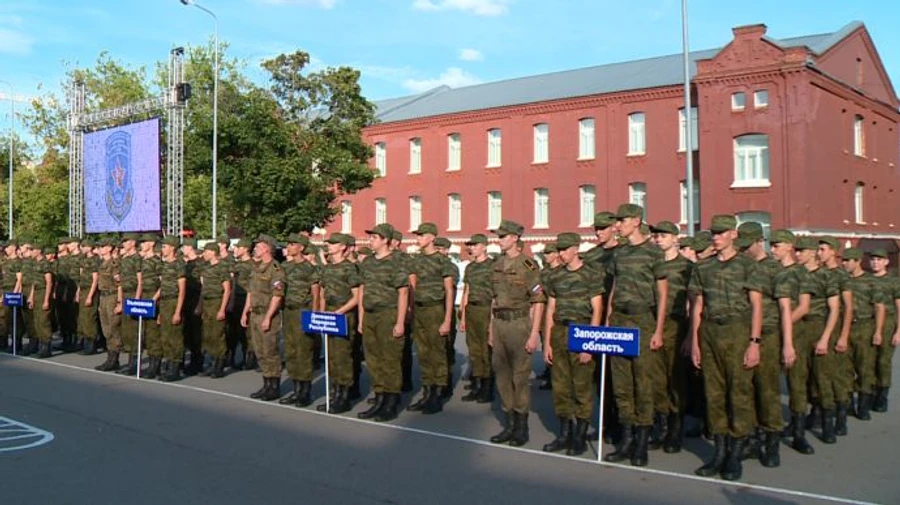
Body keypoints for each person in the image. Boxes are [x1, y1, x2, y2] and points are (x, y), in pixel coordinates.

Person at [689, 215, 763, 482]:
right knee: (714, 394)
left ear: (733, 234)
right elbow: (698, 306)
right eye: (714, 233)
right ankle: (719, 453)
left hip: (738, 331)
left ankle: (735, 454)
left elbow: (756, 305)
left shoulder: (747, 265)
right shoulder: (703, 267)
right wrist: (695, 342)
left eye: (721, 233)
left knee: (739, 393)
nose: (716, 237)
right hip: (710, 332)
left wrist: (754, 343)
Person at [603, 204, 668, 468]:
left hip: (643, 320)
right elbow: (614, 288)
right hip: (619, 319)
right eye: (617, 221)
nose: (618, 225)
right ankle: (626, 439)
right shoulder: (619, 253)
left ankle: (642, 441)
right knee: (622, 384)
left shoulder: (654, 252)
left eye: (622, 221)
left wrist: (659, 330)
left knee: (643, 383)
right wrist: (608, 319)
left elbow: (662, 293)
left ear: (636, 221)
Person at [736, 223, 795, 466]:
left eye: (747, 245)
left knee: (768, 389)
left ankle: (772, 443)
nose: (744, 250)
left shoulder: (774, 269)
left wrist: (787, 344)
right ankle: (751, 439)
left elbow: (785, 308)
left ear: (760, 241)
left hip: (768, 336)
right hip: (742, 334)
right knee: (745, 390)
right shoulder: (740, 266)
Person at [541, 233, 603, 456]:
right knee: (560, 386)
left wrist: (590, 343)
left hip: (582, 330)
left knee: (582, 386)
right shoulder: (556, 276)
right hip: (559, 331)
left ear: (576, 249)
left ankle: (580, 436)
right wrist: (547, 343)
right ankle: (564, 433)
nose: (561, 253)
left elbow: (597, 309)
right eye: (559, 249)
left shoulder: (590, 275)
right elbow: (550, 309)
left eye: (565, 249)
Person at [487, 220, 545, 447]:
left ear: (514, 238)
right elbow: (494, 299)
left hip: (519, 323)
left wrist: (534, 333)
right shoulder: (496, 265)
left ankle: (521, 426)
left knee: (520, 376)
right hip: (500, 324)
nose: (499, 240)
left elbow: (538, 300)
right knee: (502, 375)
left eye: (503, 237)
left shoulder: (528, 265)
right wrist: (491, 329)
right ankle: (509, 424)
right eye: (498, 237)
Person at [357, 223, 410, 422]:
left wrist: (400, 322)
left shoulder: (397, 262)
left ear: (385, 240)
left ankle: (391, 401)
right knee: (373, 359)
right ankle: (379, 398)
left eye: (374, 237)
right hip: (370, 315)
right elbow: (362, 290)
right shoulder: (368, 262)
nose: (370, 240)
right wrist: (361, 318)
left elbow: (403, 293)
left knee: (390, 359)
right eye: (370, 237)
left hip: (388, 314)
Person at [791, 236, 840, 449]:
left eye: (802, 251)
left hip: (818, 327)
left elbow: (834, 309)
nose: (797, 254)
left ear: (812, 253)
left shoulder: (826, 276)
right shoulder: (793, 275)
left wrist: (825, 338)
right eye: (796, 250)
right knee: (796, 379)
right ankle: (798, 429)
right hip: (797, 329)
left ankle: (827, 424)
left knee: (822, 378)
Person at [649, 221, 692, 454]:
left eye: (663, 236)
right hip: (654, 322)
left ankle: (676, 429)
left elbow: (693, 302)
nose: (658, 240)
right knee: (656, 378)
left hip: (676, 324)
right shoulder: (653, 264)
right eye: (656, 236)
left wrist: (690, 334)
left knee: (676, 378)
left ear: (675, 238)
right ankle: (661, 426)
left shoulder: (687, 267)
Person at [407, 223, 457, 415]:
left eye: (421, 235)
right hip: (419, 310)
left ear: (431, 238)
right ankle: (427, 392)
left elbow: (449, 290)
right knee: (423, 352)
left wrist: (447, 319)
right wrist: (411, 311)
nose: (418, 239)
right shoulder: (416, 261)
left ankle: (437, 394)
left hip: (436, 309)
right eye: (417, 235)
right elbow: (412, 287)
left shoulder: (442, 261)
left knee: (437, 352)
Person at [840, 247, 886, 421]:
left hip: (865, 326)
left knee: (865, 367)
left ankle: (863, 405)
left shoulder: (871, 281)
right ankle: (848, 403)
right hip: (845, 327)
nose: (844, 263)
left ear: (858, 261)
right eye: (843, 260)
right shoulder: (841, 280)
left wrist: (878, 331)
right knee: (845, 367)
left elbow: (879, 307)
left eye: (847, 261)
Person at [316, 233, 360, 414]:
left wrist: (339, 312)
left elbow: (357, 297)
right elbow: (323, 293)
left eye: (334, 243)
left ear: (343, 247)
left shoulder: (349, 268)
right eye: (329, 243)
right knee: (331, 356)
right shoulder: (327, 268)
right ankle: (334, 394)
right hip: (329, 314)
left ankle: (344, 396)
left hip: (343, 315)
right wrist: (322, 313)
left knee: (343, 356)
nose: (329, 246)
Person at [241, 235, 285, 401]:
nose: (255, 249)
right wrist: (245, 311)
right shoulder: (257, 268)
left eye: (258, 247)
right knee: (260, 351)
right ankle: (266, 384)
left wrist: (268, 317)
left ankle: (274, 387)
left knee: (270, 352)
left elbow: (277, 296)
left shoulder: (275, 269)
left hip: (267, 314)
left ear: (267, 249)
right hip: (255, 313)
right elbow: (251, 292)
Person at [279, 233, 320, 405]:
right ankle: (296, 389)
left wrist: (314, 315)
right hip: (288, 311)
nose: (289, 247)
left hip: (303, 311)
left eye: (292, 244)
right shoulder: (285, 266)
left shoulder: (309, 268)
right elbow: (279, 287)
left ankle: (305, 392)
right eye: (288, 244)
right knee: (291, 351)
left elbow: (316, 294)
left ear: (301, 247)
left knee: (304, 351)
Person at [459, 234, 494, 403]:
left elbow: (496, 295)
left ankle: (487, 387)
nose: (471, 248)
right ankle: (477, 384)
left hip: (486, 309)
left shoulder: (493, 266)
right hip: (471, 309)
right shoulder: (470, 267)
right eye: (470, 245)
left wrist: (493, 319)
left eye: (475, 245)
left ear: (484, 246)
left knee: (486, 349)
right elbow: (467, 290)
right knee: (474, 349)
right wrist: (463, 317)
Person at [870, 249, 900, 413]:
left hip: (888, 323)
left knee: (883, 361)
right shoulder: (867, 280)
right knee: (869, 361)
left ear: (886, 262)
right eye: (873, 259)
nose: (875, 262)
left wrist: (898, 331)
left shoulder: (893, 281)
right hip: (869, 322)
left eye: (879, 259)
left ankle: (882, 396)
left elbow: (899, 306)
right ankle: (870, 393)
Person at [200, 241, 233, 379]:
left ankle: (219, 365)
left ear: (213, 252)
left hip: (217, 301)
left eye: (206, 251)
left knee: (218, 334)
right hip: (207, 303)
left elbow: (227, 290)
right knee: (208, 334)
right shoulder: (206, 268)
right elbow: (203, 287)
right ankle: (212, 362)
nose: (204, 254)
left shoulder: (222, 268)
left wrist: (222, 309)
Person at [536, 242, 563, 391]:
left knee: (555, 342)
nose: (545, 256)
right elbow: (537, 287)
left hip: (557, 309)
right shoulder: (544, 272)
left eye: (548, 253)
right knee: (544, 340)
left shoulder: (562, 271)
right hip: (545, 307)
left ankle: (555, 375)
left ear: (556, 254)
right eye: (544, 253)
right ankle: (548, 369)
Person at [95, 239, 123, 372]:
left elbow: (120, 284)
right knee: (106, 329)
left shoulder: (114, 264)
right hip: (103, 297)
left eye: (103, 246)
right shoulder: (102, 264)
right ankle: (110, 357)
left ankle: (114, 359)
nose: (100, 249)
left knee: (113, 328)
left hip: (112, 297)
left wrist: (119, 302)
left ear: (109, 248)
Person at [117, 234, 143, 375]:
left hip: (134, 294)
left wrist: (137, 299)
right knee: (126, 329)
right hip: (126, 294)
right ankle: (129, 361)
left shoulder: (137, 258)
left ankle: (134, 363)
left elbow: (140, 281)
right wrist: (120, 300)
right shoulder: (125, 259)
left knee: (134, 330)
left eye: (126, 241)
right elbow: (121, 282)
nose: (124, 244)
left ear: (133, 242)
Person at [139, 234, 164, 379]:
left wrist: (154, 299)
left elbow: (163, 283)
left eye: (144, 242)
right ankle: (151, 363)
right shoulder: (143, 261)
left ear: (152, 244)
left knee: (154, 332)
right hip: (145, 297)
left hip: (154, 298)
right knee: (147, 332)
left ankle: (155, 365)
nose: (142, 245)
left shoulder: (157, 261)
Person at [229, 238, 255, 370]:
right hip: (236, 298)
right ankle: (232, 357)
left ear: (245, 249)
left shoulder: (253, 265)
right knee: (234, 330)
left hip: (247, 298)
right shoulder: (236, 265)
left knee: (247, 331)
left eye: (238, 247)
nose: (236, 250)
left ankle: (249, 358)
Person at [181, 238, 204, 375]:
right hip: (185, 300)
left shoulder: (200, 264)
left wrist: (200, 305)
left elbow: (203, 286)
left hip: (195, 300)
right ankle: (185, 362)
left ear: (190, 247)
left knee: (196, 333)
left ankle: (197, 363)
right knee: (186, 333)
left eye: (184, 246)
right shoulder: (184, 264)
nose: (182, 249)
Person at [76, 238, 101, 355]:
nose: (82, 248)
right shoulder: (83, 259)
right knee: (83, 317)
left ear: (90, 247)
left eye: (84, 246)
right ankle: (85, 341)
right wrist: (78, 292)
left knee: (89, 317)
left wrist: (90, 296)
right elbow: (81, 277)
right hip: (83, 289)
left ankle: (91, 344)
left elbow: (95, 280)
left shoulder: (95, 260)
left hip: (90, 290)